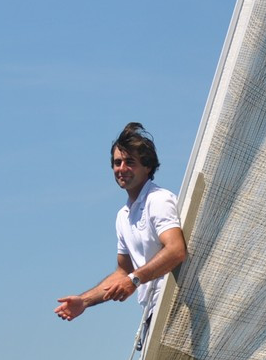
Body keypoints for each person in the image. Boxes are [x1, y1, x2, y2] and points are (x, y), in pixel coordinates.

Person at [55, 123, 186, 339]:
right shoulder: (123, 216)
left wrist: (135, 279)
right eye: (117, 163)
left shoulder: (158, 200)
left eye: (130, 162)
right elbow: (123, 272)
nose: (121, 168)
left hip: (177, 309)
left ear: (148, 167)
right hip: (152, 315)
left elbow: (176, 250)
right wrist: (84, 301)